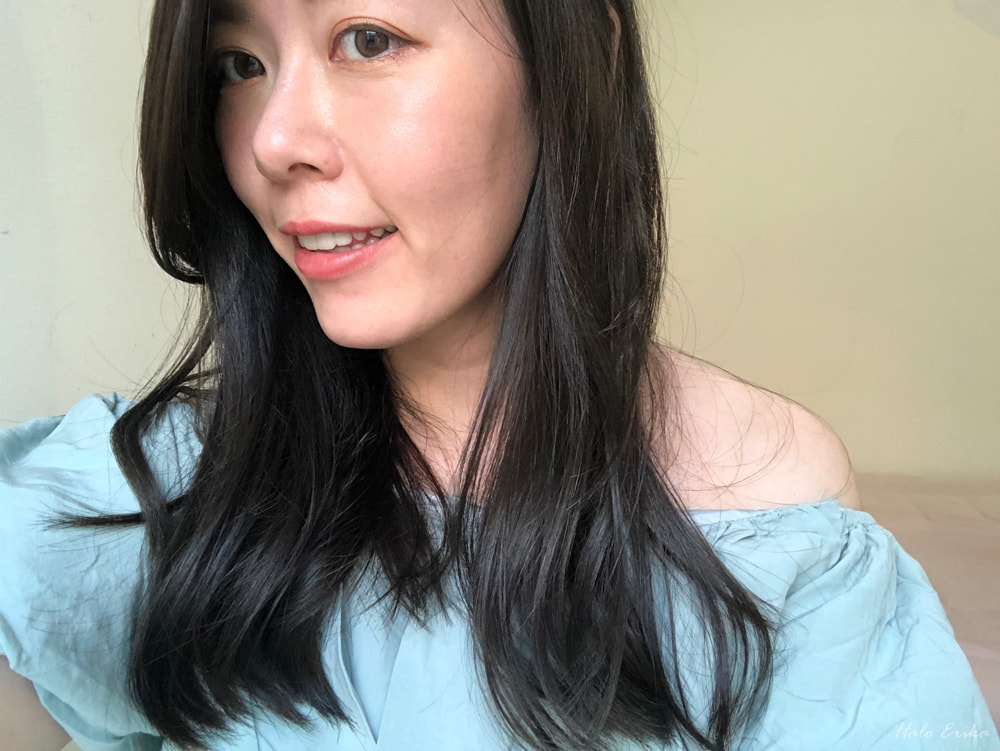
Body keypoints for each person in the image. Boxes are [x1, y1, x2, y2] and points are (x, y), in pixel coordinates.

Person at [0, 0, 995, 749]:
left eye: (369, 40)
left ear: (575, 58)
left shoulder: (768, 519)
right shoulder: (153, 484)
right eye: (238, 64)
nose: (274, 140)